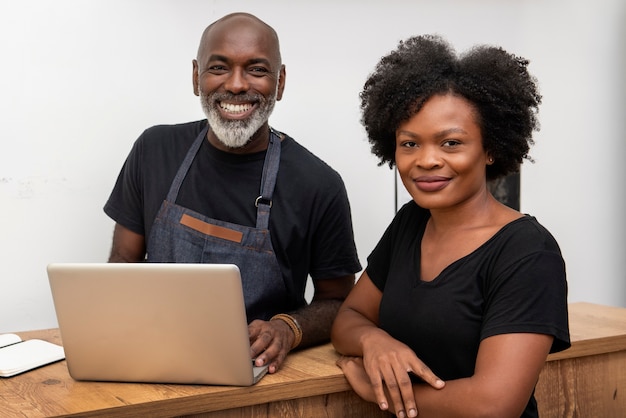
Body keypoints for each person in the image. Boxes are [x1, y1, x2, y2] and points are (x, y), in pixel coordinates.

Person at [103, 12, 361, 374]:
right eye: (219, 68)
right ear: (196, 77)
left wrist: (288, 329)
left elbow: (339, 301)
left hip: (258, 371)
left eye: (256, 69)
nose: (237, 85)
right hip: (153, 356)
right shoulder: (154, 149)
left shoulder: (319, 184)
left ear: (280, 82)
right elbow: (123, 264)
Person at [330, 34, 570, 418]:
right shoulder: (411, 222)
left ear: (491, 148)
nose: (426, 160)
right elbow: (348, 320)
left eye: (451, 143)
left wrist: (380, 395)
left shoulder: (528, 252)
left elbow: (494, 404)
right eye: (409, 144)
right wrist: (376, 341)